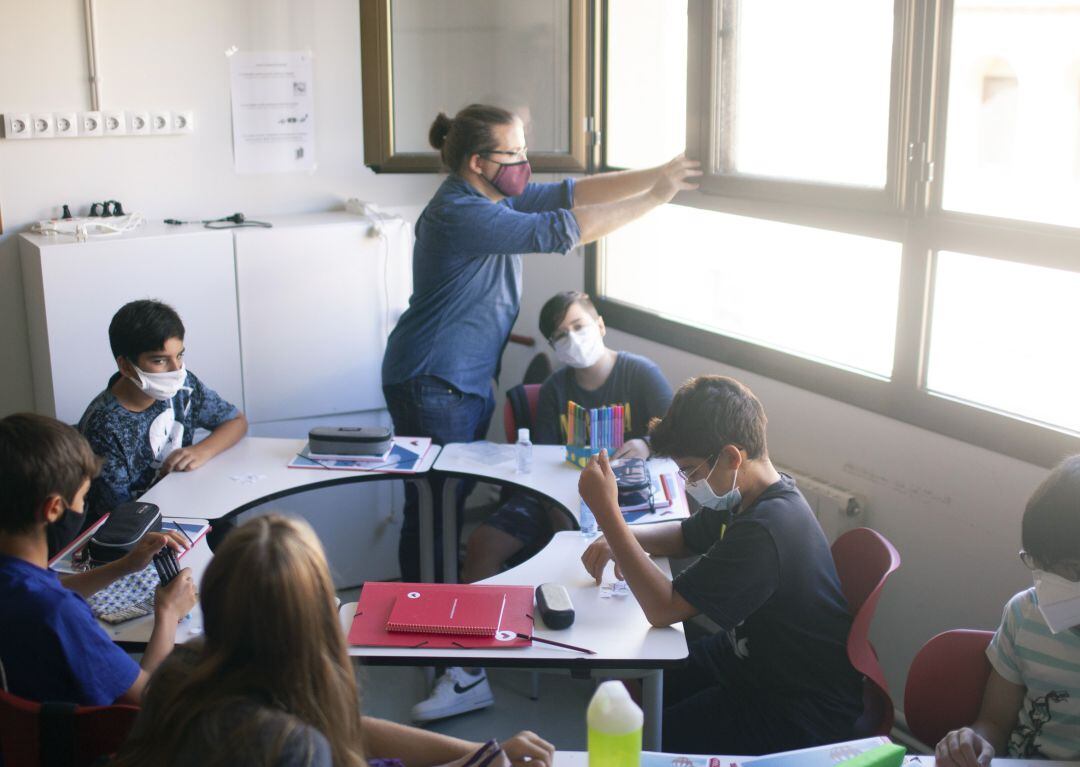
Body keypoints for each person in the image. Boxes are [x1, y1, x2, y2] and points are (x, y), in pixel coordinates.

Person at [381, 103, 700, 583]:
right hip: (433, 379)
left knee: (446, 502)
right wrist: (655, 197)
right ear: (477, 162)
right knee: (435, 509)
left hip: (458, 379)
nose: (523, 164)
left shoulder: (493, 197)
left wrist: (660, 174)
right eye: (513, 153)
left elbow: (572, 193)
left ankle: (439, 618)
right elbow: (564, 228)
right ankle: (427, 624)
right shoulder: (460, 212)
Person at [409, 291, 674, 724]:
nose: (572, 339)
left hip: (628, 503)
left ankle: (616, 665)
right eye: (560, 335)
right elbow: (550, 466)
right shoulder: (556, 389)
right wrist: (563, 529)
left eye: (578, 326)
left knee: (622, 568)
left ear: (600, 325)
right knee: (482, 543)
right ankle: (470, 672)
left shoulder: (640, 374)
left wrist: (648, 442)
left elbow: (675, 434)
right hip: (556, 499)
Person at [111, 515, 556, 767]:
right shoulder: (287, 747)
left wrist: (476, 755)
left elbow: (341, 726)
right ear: (321, 614)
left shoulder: (184, 670)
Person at [577, 375, 863, 755]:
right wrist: (620, 538)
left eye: (692, 471)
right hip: (748, 658)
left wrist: (608, 515)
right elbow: (686, 536)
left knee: (653, 740)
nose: (690, 482)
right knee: (647, 686)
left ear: (732, 456)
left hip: (795, 705)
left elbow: (664, 608)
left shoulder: (767, 529)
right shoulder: (750, 494)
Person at [0, 413, 198, 706]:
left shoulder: (21, 584)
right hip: (89, 743)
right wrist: (168, 613)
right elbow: (145, 697)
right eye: (82, 497)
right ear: (54, 509)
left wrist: (124, 565)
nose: (82, 507)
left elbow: (41, 589)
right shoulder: (59, 613)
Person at [936, 455, 1080, 766]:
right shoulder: (1025, 615)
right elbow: (995, 723)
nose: (1049, 585)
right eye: (1039, 565)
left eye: (1069, 569)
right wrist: (974, 743)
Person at [77, 299, 247, 551]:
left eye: (179, 355)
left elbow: (236, 421)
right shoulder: (105, 425)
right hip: (138, 536)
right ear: (125, 365)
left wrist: (201, 451)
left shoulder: (184, 386)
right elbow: (117, 517)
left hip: (190, 512)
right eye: (159, 361)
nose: (176, 369)